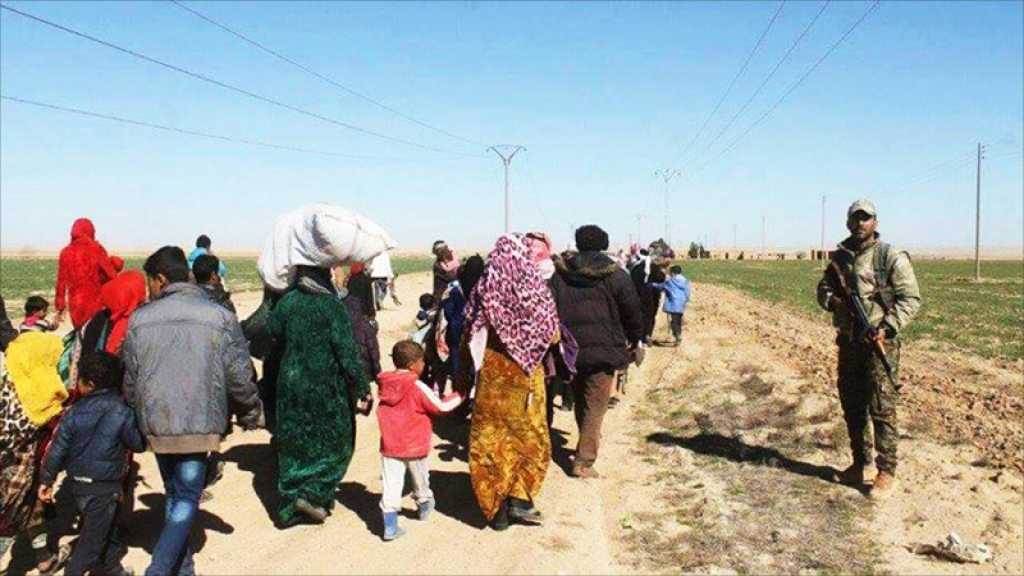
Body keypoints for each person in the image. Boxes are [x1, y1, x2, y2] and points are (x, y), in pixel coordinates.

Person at [122, 246, 263, 575]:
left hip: (156, 423)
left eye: (150, 283)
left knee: (176, 493)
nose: (149, 289)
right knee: (185, 496)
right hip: (199, 424)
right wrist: (249, 410)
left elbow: (131, 378)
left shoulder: (140, 319)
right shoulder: (220, 316)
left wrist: (135, 414)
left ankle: (182, 569)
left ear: (160, 279)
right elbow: (239, 373)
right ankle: (159, 570)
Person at [817, 200, 921, 499]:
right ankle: (860, 464)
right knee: (852, 405)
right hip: (849, 343)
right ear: (848, 222)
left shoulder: (890, 256)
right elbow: (823, 290)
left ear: (875, 221)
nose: (860, 223)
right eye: (855, 218)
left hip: (880, 344)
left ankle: (886, 471)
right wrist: (835, 302)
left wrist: (887, 327)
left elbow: (911, 299)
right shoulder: (840, 258)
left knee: (882, 408)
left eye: (866, 218)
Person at [454, 234, 559, 530]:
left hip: (494, 379)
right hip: (527, 381)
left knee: (491, 440)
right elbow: (553, 335)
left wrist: (462, 377)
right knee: (530, 438)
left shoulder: (483, 290)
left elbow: (467, 334)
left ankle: (495, 509)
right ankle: (521, 500)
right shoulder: (536, 290)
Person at [266, 265, 372, 527]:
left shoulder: (287, 303)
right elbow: (346, 351)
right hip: (326, 387)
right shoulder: (331, 306)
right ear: (323, 275)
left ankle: (291, 506)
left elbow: (272, 333)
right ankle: (313, 494)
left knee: (294, 443)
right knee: (336, 442)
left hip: (290, 384)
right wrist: (361, 386)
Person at [38, 352, 145, 576]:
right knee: (89, 546)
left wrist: (47, 480)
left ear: (90, 384)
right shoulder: (122, 411)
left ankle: (112, 569)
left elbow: (57, 449)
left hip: (78, 485)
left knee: (108, 529)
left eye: (80, 380)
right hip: (104, 487)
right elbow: (138, 444)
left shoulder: (73, 412)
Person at [550, 225, 643, 479]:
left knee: (582, 397)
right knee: (596, 404)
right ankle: (584, 461)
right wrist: (636, 338)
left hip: (569, 350)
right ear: (603, 243)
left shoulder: (560, 275)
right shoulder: (617, 275)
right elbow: (632, 310)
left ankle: (585, 444)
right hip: (604, 349)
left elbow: (549, 307)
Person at [376, 340, 463, 541]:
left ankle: (390, 527)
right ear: (413, 364)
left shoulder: (386, 385)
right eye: (422, 361)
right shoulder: (416, 386)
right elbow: (440, 407)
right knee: (420, 479)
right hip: (414, 444)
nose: (424, 365)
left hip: (391, 445)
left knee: (391, 484)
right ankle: (424, 505)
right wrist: (460, 395)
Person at [0, 328, 69, 574]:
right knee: (12, 518)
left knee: (31, 513)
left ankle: (44, 558)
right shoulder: (45, 397)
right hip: (20, 477)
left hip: (19, 474)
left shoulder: (10, 383)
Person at [54, 218, 124, 330]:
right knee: (94, 335)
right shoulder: (96, 249)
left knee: (80, 333)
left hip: (75, 305)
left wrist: (60, 306)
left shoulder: (65, 252)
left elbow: (61, 283)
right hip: (94, 302)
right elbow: (111, 275)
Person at [652, 265, 692, 347]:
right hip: (681, 304)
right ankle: (678, 336)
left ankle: (677, 336)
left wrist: (651, 284)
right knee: (678, 321)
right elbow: (688, 292)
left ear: (673, 273)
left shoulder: (670, 281)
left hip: (673, 304)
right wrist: (685, 301)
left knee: (673, 322)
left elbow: (661, 286)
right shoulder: (685, 281)